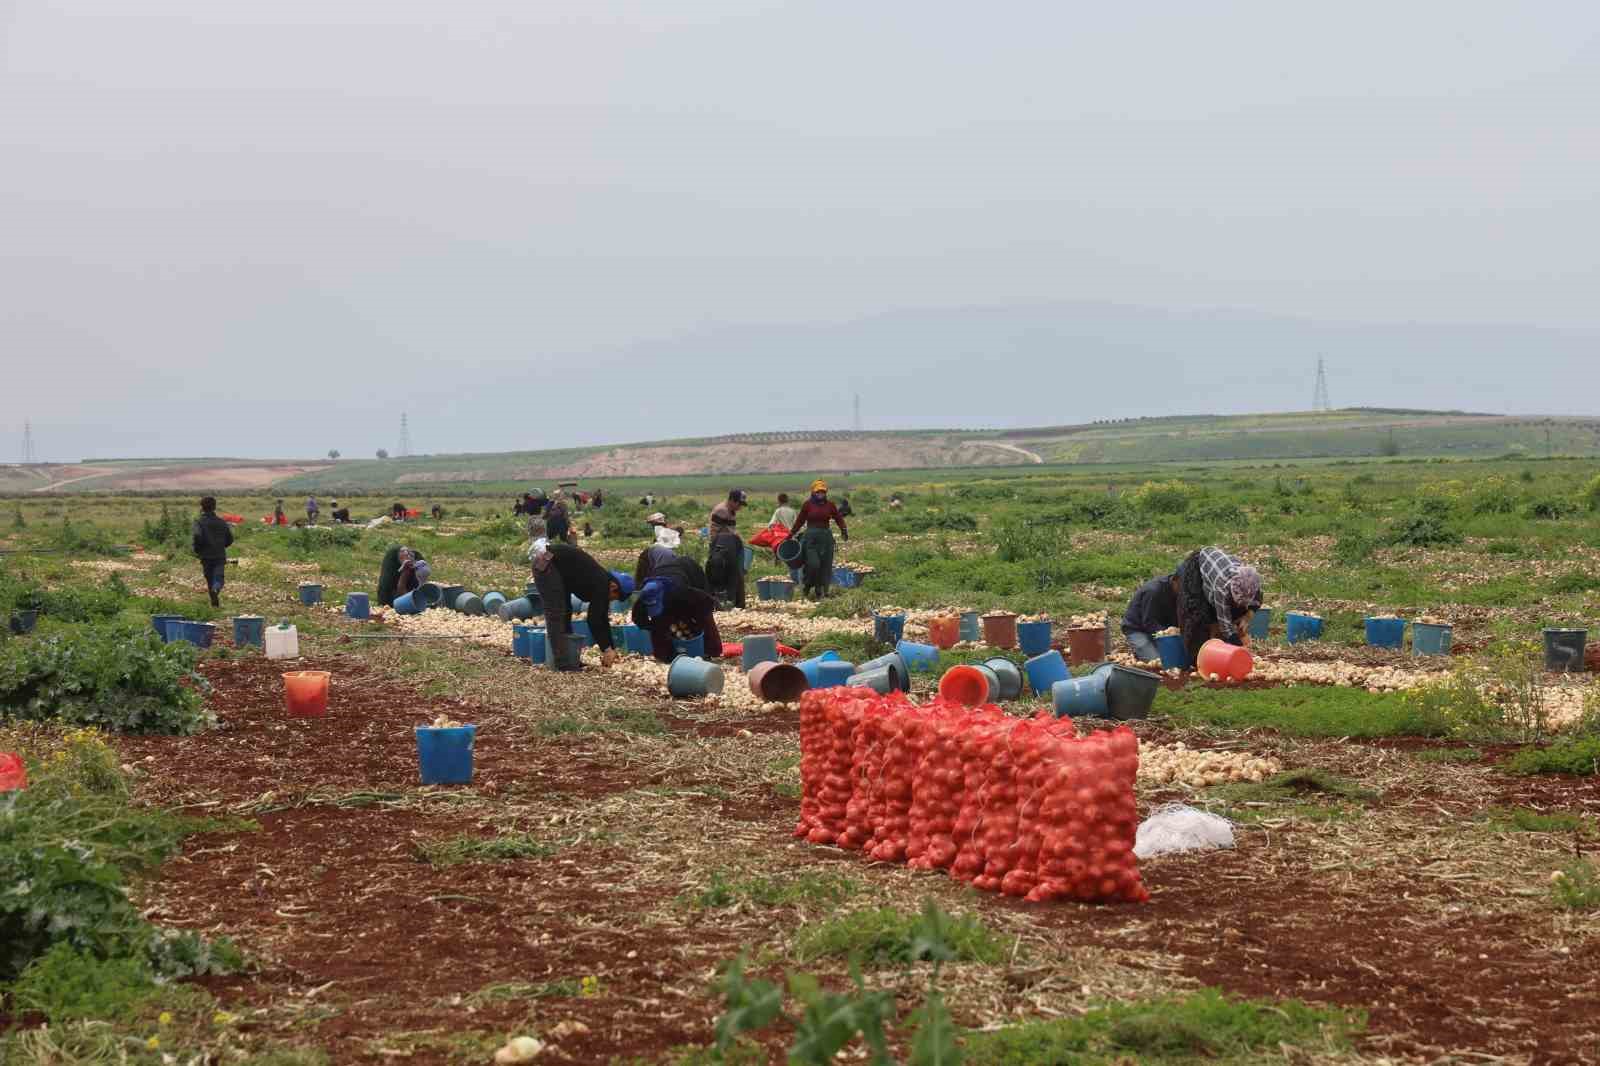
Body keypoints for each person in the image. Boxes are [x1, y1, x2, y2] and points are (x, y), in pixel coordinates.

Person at [531, 541, 632, 671]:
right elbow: (593, 619)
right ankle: (562, 663)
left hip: (557, 567)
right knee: (556, 613)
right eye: (615, 598)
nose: (612, 601)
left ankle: (569, 659)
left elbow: (602, 619)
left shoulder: (603, 582)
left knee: (566, 610)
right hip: (547, 564)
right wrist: (606, 649)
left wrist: (610, 648)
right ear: (614, 587)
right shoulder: (602, 584)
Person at [631, 548, 722, 664]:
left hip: (691, 574)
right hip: (669, 579)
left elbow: (705, 602)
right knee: (659, 622)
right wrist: (651, 627)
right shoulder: (645, 596)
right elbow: (637, 618)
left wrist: (699, 619)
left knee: (702, 616)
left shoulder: (681, 591)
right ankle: (665, 656)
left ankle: (711, 650)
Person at [1176, 546, 1262, 665]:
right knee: (1197, 615)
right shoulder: (1222, 587)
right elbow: (1225, 626)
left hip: (1220, 567)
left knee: (1237, 612)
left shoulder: (1252, 582)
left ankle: (1223, 648)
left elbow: (1257, 601)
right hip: (1198, 564)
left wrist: (1247, 617)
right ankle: (1198, 660)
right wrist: (1242, 650)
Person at [786, 480, 848, 599]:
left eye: (823, 491)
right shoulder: (807, 505)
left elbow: (838, 518)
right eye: (818, 491)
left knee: (825, 565)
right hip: (810, 539)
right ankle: (808, 585)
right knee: (813, 564)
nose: (821, 493)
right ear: (813, 492)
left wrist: (844, 530)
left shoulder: (830, 505)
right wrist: (791, 534)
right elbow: (800, 521)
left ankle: (822, 589)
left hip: (826, 538)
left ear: (826, 492)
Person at [1121, 571, 1180, 664]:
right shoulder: (1153, 591)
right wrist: (1168, 638)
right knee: (1157, 661)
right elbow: (1149, 622)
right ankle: (1140, 650)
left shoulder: (1179, 591)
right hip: (1138, 629)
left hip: (1161, 629)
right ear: (1175, 580)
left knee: (1176, 660)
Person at [706, 489, 749, 608]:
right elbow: (729, 533)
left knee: (733, 574)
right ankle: (723, 603)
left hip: (728, 545)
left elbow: (733, 532)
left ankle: (733, 602)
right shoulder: (722, 511)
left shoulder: (730, 511)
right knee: (722, 575)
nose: (740, 507)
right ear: (731, 500)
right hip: (720, 546)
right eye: (739, 504)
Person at [192, 496, 234, 607]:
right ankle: (216, 592)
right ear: (214, 507)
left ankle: (214, 603)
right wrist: (222, 545)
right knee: (218, 578)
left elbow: (197, 535)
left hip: (205, 556)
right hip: (219, 555)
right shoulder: (222, 522)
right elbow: (230, 539)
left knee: (209, 579)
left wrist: (197, 549)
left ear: (201, 507)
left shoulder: (199, 522)